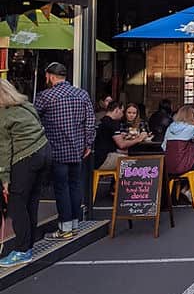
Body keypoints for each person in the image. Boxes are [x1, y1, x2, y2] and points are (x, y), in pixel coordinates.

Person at [34, 61, 95, 239]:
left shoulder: (45, 96)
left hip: (57, 149)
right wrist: (88, 144)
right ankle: (75, 224)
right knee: (75, 186)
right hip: (78, 149)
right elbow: (90, 122)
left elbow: (34, 120)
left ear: (51, 76)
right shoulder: (82, 94)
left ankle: (65, 228)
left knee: (61, 189)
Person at [0, 79, 50, 266]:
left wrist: (5, 178)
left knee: (16, 204)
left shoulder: (3, 115)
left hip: (25, 158)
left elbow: (4, 149)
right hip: (44, 152)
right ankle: (28, 246)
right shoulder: (26, 105)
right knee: (31, 202)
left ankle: (21, 251)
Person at [162, 105, 194, 199]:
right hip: (183, 165)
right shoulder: (190, 128)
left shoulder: (170, 127)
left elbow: (164, 146)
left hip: (170, 165)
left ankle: (184, 190)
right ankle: (189, 190)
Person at [94, 102, 149, 170]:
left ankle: (116, 180)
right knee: (134, 162)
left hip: (96, 159)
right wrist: (138, 139)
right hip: (104, 159)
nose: (122, 114)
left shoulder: (102, 120)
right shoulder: (113, 123)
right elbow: (122, 145)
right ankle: (127, 181)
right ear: (117, 110)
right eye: (122, 111)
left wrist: (121, 136)